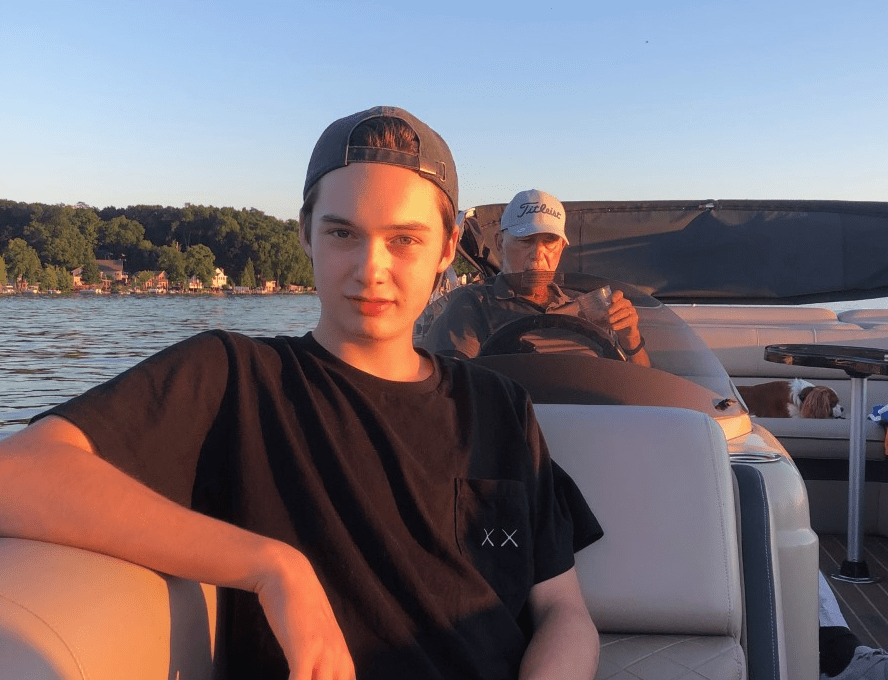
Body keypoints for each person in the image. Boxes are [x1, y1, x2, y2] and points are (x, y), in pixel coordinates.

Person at [0, 107, 600, 680]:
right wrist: (272, 567)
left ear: (448, 247)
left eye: (404, 239)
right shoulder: (234, 378)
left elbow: (562, 612)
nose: (370, 268)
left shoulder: (498, 406)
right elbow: (17, 474)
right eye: (342, 232)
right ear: (305, 235)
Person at [420, 188, 651, 367]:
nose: (538, 254)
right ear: (500, 244)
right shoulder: (470, 305)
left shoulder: (588, 307)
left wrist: (630, 339)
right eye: (526, 241)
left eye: (549, 242)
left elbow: (639, 390)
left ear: (561, 248)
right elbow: (453, 385)